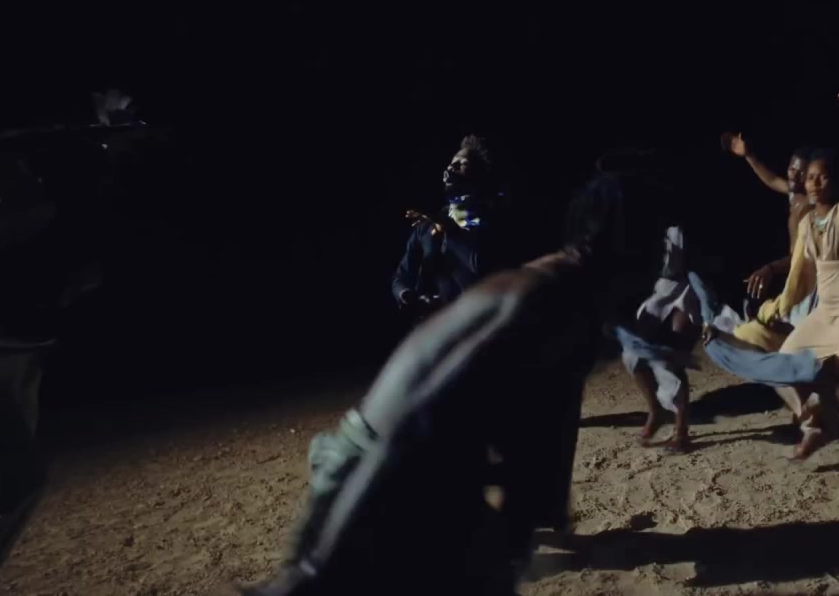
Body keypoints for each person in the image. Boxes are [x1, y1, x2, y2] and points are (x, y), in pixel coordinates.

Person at [230, 157, 677, 596]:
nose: (662, 256)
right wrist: (316, 566)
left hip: (405, 473)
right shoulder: (553, 303)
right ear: (626, 240)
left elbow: (534, 429)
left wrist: (528, 512)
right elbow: (413, 424)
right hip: (381, 478)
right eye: (657, 239)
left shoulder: (559, 292)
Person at [703, 150, 839, 489]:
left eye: (823, 176)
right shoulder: (807, 223)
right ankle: (822, 425)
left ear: (836, 181)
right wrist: (772, 310)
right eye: (811, 177)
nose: (814, 183)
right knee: (788, 363)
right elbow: (800, 277)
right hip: (824, 313)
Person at [616, 223, 716, 453]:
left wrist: (708, 312)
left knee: (671, 359)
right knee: (633, 354)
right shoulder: (640, 225)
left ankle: (681, 431)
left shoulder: (683, 228)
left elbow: (701, 266)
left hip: (689, 287)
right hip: (659, 290)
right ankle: (656, 411)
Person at [391, 134, 510, 320]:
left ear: (480, 177)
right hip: (432, 328)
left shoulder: (492, 218)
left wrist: (448, 227)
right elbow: (402, 275)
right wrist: (405, 294)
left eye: (462, 164)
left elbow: (482, 265)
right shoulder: (428, 223)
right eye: (451, 162)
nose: (451, 167)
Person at [720, 134, 817, 323]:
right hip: (792, 269)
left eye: (801, 172)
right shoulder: (794, 193)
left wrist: (771, 269)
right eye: (792, 168)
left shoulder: (811, 208)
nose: (793, 175)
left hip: (806, 275)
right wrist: (749, 156)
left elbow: (802, 257)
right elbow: (771, 179)